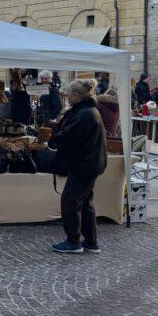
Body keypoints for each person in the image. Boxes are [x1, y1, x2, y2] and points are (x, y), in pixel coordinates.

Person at [48, 79, 107, 254]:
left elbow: (70, 136)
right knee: (85, 202)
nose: (66, 96)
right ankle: (90, 241)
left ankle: (73, 241)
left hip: (85, 164)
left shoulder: (86, 113)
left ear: (77, 95)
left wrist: (51, 141)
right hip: (89, 163)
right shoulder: (87, 111)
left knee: (70, 201)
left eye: (68, 94)